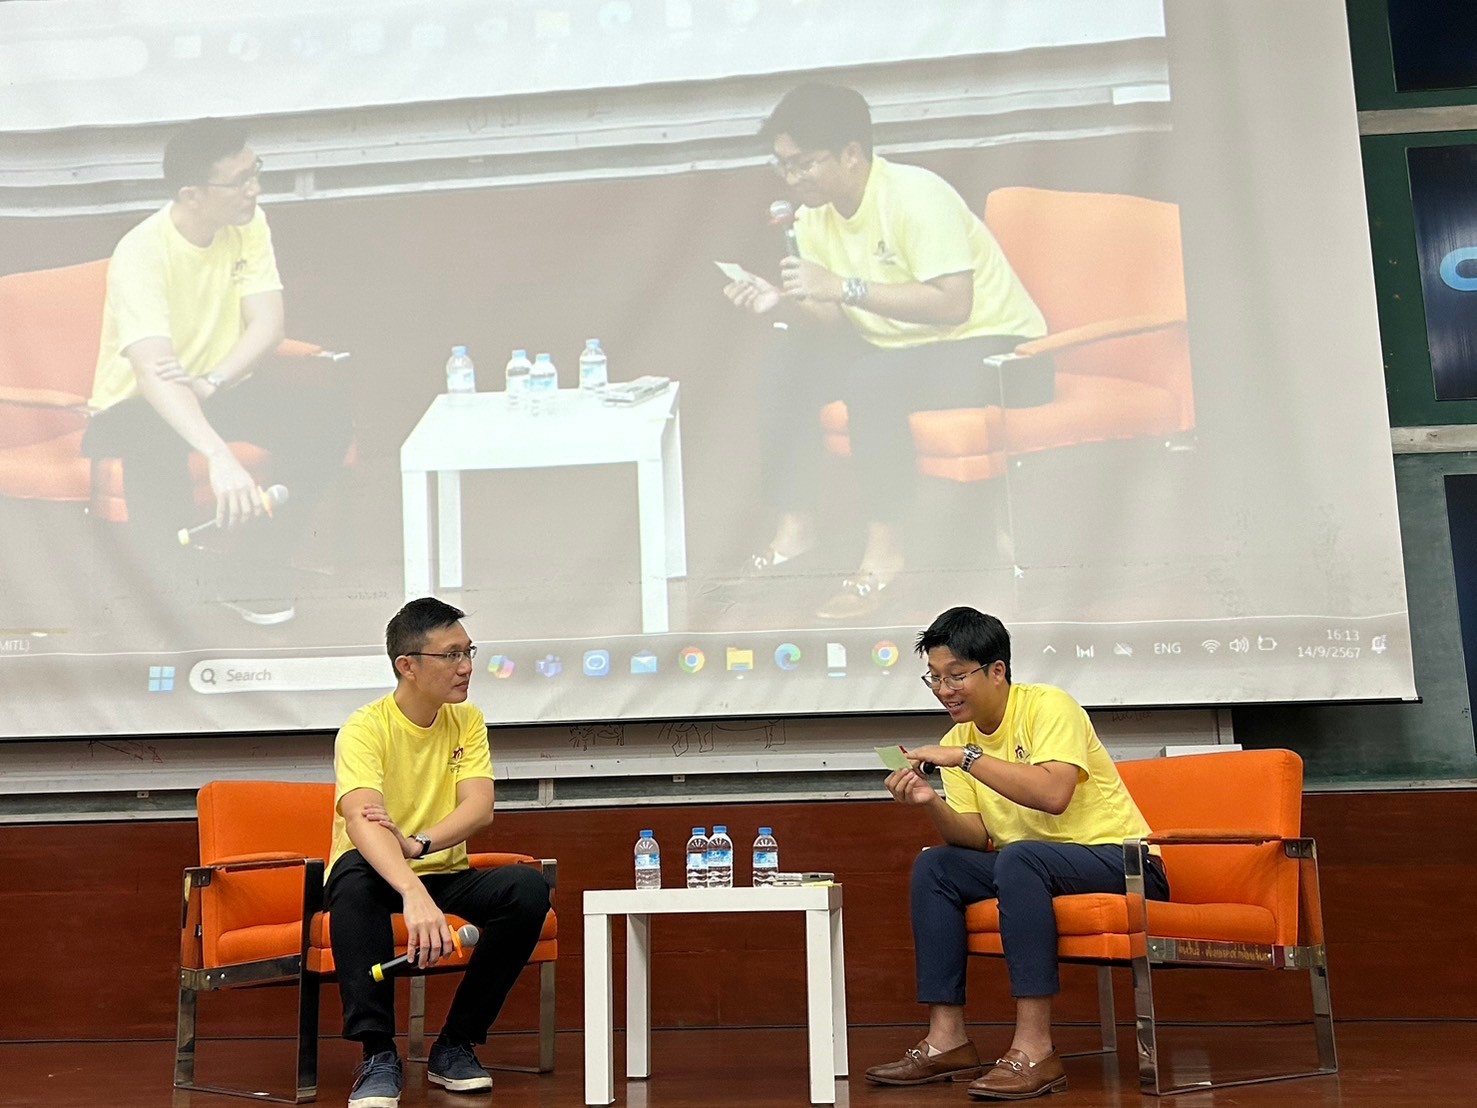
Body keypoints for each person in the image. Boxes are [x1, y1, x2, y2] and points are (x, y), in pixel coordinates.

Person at [723, 84, 1048, 621]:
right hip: (901, 350)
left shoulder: (917, 196)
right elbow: (832, 318)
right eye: (783, 166)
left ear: (852, 153)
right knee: (787, 361)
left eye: (804, 164)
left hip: (1003, 353)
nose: (792, 179)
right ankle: (794, 532)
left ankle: (885, 555)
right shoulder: (814, 215)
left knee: (873, 379)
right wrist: (783, 302)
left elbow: (954, 305)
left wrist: (842, 286)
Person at [866, 607, 1170, 1100]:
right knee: (936, 865)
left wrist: (967, 759)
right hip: (1031, 866)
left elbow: (1053, 795)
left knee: (1020, 857)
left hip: (1125, 862)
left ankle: (1035, 1050)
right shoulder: (957, 739)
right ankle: (947, 1040)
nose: (944, 690)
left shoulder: (1049, 706)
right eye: (935, 678)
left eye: (956, 676)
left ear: (997, 671)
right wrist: (930, 802)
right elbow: (974, 838)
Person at [83, 118, 352, 625]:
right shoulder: (141, 253)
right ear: (192, 194)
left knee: (327, 417)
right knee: (153, 445)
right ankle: (171, 597)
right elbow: (153, 373)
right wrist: (218, 455)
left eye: (256, 172)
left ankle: (254, 569)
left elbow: (268, 324)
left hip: (213, 388)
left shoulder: (248, 223)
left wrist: (213, 381)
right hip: (137, 404)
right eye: (239, 180)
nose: (254, 189)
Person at [326, 597, 550, 1107]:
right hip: (375, 870)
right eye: (450, 655)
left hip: (440, 866)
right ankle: (377, 1053)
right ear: (407, 665)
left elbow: (479, 807)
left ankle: (455, 1044)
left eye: (468, 652)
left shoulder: (465, 720)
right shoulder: (365, 727)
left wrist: (419, 843)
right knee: (353, 883)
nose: (466, 666)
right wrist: (410, 888)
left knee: (526, 888)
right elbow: (362, 819)